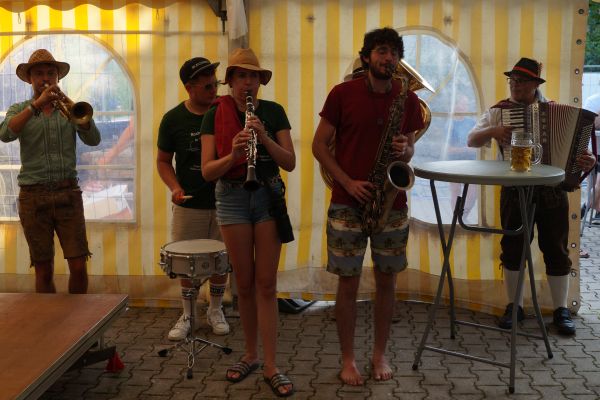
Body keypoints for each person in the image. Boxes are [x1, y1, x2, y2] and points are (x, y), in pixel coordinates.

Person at [312, 27, 424, 386]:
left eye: (394, 52)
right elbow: (318, 145)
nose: (388, 58)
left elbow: (410, 149)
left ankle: (379, 354)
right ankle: (348, 359)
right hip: (348, 202)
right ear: (366, 56)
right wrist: (347, 182)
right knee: (348, 283)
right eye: (381, 51)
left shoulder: (407, 99)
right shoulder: (342, 93)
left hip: (391, 201)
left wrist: (405, 149)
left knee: (387, 282)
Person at [466, 57, 596, 335]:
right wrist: (493, 131)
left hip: (552, 192)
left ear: (536, 84)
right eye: (512, 80)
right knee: (513, 249)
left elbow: (579, 154)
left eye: (522, 81)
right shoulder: (499, 111)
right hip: (514, 191)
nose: (515, 85)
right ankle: (514, 306)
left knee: (557, 250)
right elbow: (471, 139)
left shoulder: (557, 110)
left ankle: (560, 309)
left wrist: (588, 160)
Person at [200, 48, 295, 397]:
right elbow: (208, 171)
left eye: (253, 76)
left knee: (266, 284)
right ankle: (250, 354)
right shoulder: (215, 113)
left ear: (260, 81)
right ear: (231, 81)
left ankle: (271, 364)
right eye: (241, 76)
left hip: (267, 195)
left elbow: (290, 161)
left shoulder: (273, 111)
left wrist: (264, 137)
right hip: (231, 197)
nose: (247, 83)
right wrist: (234, 155)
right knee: (244, 282)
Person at [0, 49, 101, 293]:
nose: (45, 78)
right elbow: (5, 134)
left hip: (68, 194)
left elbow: (94, 140)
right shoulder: (19, 108)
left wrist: (78, 115)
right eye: (39, 74)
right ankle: (49, 316)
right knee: (44, 269)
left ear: (58, 77)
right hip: (33, 197)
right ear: (29, 78)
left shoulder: (70, 108)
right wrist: (36, 105)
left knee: (79, 266)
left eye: (50, 73)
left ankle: (77, 316)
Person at [156, 57, 230, 340]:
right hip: (189, 203)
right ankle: (188, 314)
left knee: (221, 259)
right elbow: (163, 161)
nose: (214, 90)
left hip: (226, 201)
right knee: (187, 262)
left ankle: (215, 309)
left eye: (216, 84)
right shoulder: (173, 119)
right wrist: (174, 187)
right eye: (208, 86)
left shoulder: (225, 111)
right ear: (189, 88)